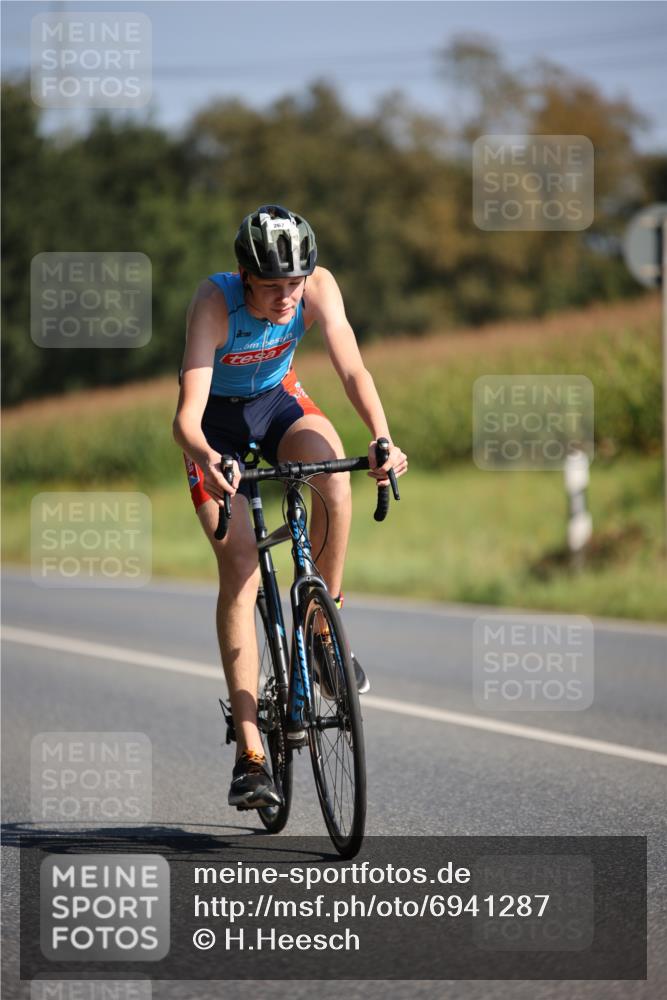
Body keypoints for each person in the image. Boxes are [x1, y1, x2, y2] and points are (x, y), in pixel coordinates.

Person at [173, 205, 407, 809]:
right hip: (215, 431)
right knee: (242, 568)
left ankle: (324, 629)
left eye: (294, 284)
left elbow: (350, 366)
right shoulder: (213, 303)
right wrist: (211, 459)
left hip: (278, 402)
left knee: (334, 476)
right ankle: (250, 752)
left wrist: (381, 438)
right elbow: (186, 418)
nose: (285, 298)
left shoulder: (317, 287)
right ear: (244, 277)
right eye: (272, 286)